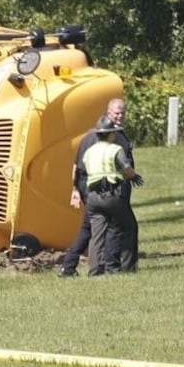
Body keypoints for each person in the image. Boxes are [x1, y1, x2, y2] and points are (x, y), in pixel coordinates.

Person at [60, 98, 134, 277]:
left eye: (123, 113)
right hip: (106, 190)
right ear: (108, 113)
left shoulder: (88, 137)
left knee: (89, 229)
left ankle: (71, 266)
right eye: (117, 113)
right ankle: (112, 267)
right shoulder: (113, 138)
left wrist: (75, 190)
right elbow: (77, 166)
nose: (120, 116)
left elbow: (76, 165)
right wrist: (75, 190)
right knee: (115, 227)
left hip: (90, 191)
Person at [78, 116, 139, 276]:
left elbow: (83, 169)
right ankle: (127, 267)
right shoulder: (115, 149)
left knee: (96, 234)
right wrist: (133, 176)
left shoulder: (90, 151)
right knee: (127, 226)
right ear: (111, 134)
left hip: (93, 196)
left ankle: (95, 270)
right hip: (112, 194)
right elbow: (126, 167)